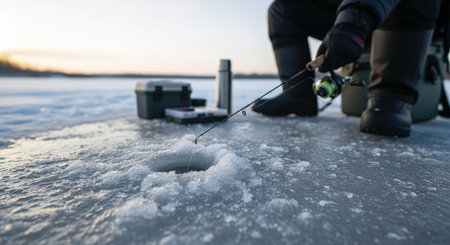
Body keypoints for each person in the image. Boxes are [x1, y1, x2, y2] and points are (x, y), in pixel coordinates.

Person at [252, 0, 447, 137]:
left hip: (411, 18)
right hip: (358, 14)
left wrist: (353, 21)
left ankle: (391, 98)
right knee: (283, 9)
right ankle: (298, 95)